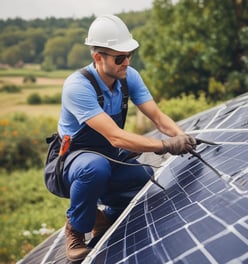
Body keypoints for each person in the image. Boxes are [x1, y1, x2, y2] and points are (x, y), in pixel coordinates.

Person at [58, 15, 196, 261]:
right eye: (119, 57)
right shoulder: (77, 86)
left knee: (143, 177)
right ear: (97, 57)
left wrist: (182, 137)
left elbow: (158, 117)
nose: (126, 62)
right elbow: (115, 137)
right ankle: (76, 229)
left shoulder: (128, 77)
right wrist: (164, 146)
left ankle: (104, 217)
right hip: (75, 162)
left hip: (108, 155)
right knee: (94, 168)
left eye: (129, 55)